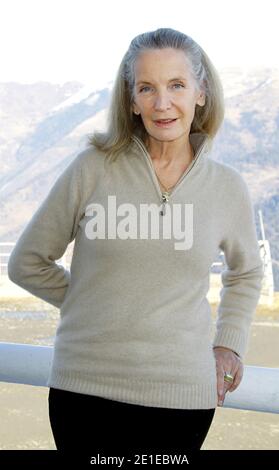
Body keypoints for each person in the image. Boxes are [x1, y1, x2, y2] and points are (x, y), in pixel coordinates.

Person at [8, 27, 264, 453]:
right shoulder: (92, 168)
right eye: (147, 88)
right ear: (130, 100)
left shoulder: (227, 187)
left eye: (177, 85)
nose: (162, 103)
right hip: (84, 391)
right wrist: (91, 302)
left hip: (182, 399)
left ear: (201, 93)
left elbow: (246, 272)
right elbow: (27, 261)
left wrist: (228, 345)